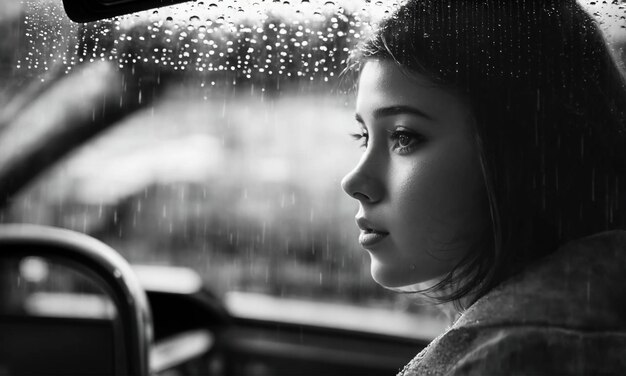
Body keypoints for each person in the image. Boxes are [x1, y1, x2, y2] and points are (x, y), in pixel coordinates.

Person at [341, 0, 626, 374]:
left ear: (524, 151)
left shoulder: (518, 358)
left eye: (404, 137)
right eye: (363, 136)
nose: (354, 182)